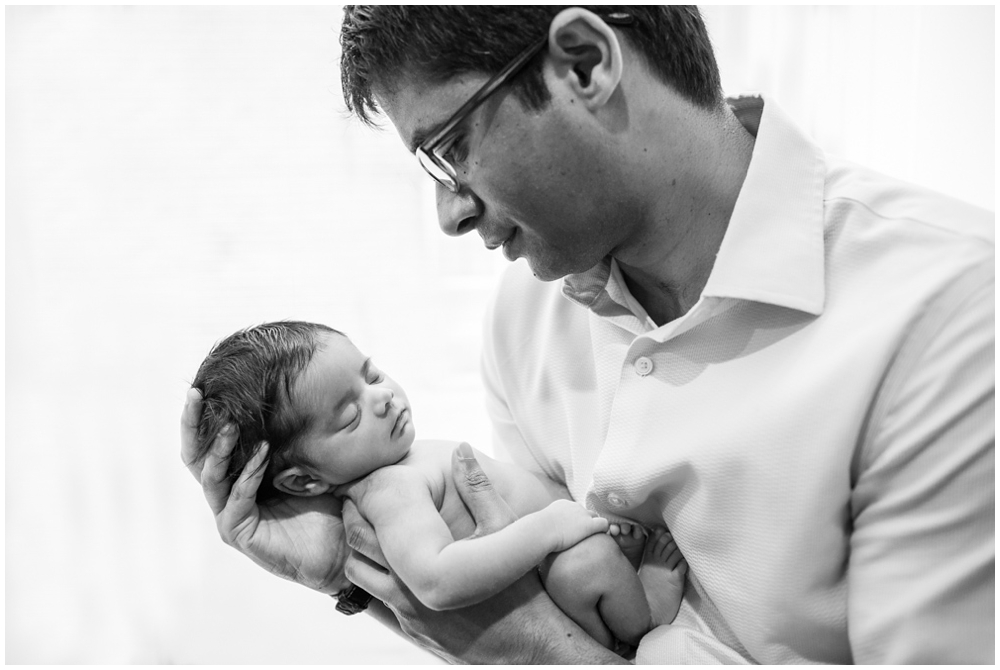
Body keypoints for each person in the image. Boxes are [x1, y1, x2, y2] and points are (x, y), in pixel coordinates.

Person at [183, 6, 994, 664]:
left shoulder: (951, 315)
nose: (450, 211)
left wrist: (532, 654)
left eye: (450, 149)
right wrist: (348, 570)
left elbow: (530, 644)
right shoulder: (525, 316)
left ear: (583, 64)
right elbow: (526, 607)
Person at [189, 320, 688, 652]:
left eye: (372, 374)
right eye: (348, 415)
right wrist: (553, 528)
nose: (382, 397)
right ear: (303, 479)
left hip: (562, 573)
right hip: (568, 594)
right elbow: (436, 581)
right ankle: (642, 618)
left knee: (585, 557)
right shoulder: (387, 491)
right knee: (584, 563)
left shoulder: (402, 462)